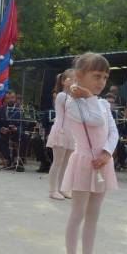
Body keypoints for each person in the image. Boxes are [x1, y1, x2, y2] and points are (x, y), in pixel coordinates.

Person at [61, 53, 118, 254]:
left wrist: (107, 152)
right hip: (83, 162)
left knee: (94, 214)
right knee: (78, 213)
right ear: (79, 75)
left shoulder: (103, 103)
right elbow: (95, 120)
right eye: (96, 76)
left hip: (102, 163)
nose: (101, 82)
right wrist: (88, 97)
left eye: (105, 77)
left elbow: (113, 131)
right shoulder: (72, 103)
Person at [46, 69, 75, 200]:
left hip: (71, 132)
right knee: (58, 162)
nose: (75, 82)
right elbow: (70, 107)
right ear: (64, 81)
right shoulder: (62, 95)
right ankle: (53, 190)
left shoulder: (73, 97)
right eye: (72, 79)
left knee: (66, 163)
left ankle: (62, 188)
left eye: (77, 80)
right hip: (61, 131)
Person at [0, 90, 29, 171]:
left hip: (16, 133)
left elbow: (24, 125)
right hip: (5, 134)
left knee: (25, 136)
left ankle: (18, 161)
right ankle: (9, 160)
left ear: (15, 99)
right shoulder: (0, 110)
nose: (10, 100)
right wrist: (1, 129)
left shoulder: (20, 110)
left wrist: (16, 128)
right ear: (5, 99)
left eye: (12, 98)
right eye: (8, 98)